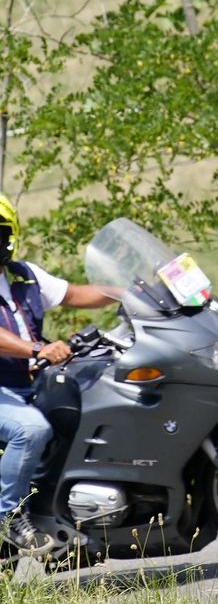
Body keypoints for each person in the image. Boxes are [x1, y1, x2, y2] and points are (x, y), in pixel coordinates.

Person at [0, 194, 116, 554]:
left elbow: (78, 294)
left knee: (93, 408)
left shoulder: (24, 276)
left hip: (28, 385)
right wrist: (37, 349)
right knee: (31, 430)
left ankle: (66, 518)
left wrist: (136, 292)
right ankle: (6, 516)